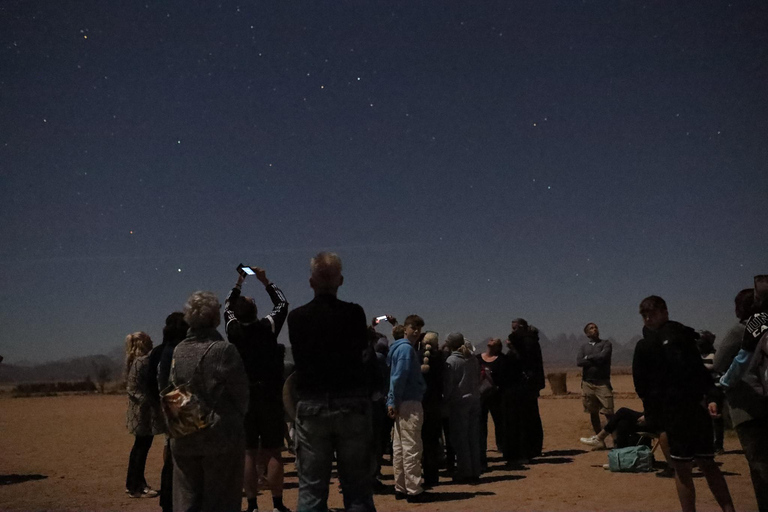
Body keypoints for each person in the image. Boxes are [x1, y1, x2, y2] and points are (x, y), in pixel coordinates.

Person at [287, 252, 376, 512]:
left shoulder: (297, 317)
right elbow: (362, 355)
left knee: (312, 489)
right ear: (341, 281)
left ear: (311, 282)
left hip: (312, 404)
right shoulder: (354, 314)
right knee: (357, 488)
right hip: (351, 403)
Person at [632, 295, 734, 512]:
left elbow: (698, 371)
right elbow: (643, 386)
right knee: (684, 468)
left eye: (653, 313)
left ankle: (728, 509)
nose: (649, 319)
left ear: (665, 312)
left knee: (702, 465)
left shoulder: (680, 336)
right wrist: (653, 414)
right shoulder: (648, 345)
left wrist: (712, 397)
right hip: (674, 413)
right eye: (644, 315)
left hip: (691, 409)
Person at [171, 291, 249, 512]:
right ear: (215, 318)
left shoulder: (179, 350)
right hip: (220, 435)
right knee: (221, 499)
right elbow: (241, 394)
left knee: (187, 497)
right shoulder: (223, 350)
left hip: (185, 429)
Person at [224, 266, 290, 512]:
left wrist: (239, 283)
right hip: (270, 396)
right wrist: (265, 281)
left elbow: (227, 308)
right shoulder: (268, 327)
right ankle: (277, 504)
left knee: (249, 452)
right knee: (273, 451)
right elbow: (282, 304)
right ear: (255, 311)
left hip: (245, 397)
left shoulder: (234, 331)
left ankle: (251, 504)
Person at [715, 287, 768, 511]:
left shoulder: (740, 331)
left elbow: (719, 363)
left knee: (760, 470)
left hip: (748, 408)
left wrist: (725, 383)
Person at [387, 315, 428, 502]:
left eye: (419, 328)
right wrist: (393, 401)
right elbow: (399, 377)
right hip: (409, 401)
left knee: (400, 447)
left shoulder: (399, 349)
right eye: (414, 327)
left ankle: (401, 487)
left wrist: (392, 401)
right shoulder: (405, 349)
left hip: (401, 401)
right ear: (405, 328)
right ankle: (414, 489)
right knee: (411, 446)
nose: (417, 331)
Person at [153, 312, 189, 512]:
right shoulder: (178, 350)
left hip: (167, 405)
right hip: (179, 406)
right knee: (180, 460)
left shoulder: (160, 351)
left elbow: (152, 382)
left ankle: (167, 500)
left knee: (171, 455)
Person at [503, 318, 545, 465]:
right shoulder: (531, 340)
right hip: (529, 385)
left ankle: (525, 452)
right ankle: (533, 449)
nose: (512, 332)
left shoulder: (526, 341)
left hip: (524, 386)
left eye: (514, 328)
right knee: (531, 416)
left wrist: (513, 347)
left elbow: (524, 360)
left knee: (523, 419)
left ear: (521, 328)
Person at [125, 331, 161, 498]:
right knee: (142, 448)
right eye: (148, 339)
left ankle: (133, 483)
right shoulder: (143, 362)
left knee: (139, 447)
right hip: (144, 412)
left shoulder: (135, 361)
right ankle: (138, 486)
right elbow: (136, 389)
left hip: (139, 411)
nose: (152, 340)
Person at [443, 333, 482, 482]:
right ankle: (475, 470)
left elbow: (449, 385)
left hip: (459, 403)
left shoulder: (452, 361)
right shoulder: (472, 359)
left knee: (461, 439)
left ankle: (465, 472)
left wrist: (445, 399)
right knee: (473, 437)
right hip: (474, 400)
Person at [576, 323, 614, 445]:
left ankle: (617, 442)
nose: (595, 329)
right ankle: (600, 441)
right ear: (587, 334)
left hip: (603, 383)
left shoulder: (606, 344)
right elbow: (579, 362)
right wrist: (594, 360)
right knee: (593, 412)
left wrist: (588, 358)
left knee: (609, 413)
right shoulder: (583, 347)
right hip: (587, 383)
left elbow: (603, 357)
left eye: (596, 327)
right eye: (591, 328)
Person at [418, 330, 445, 488]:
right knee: (432, 442)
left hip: (420, 401)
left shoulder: (417, 356)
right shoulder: (440, 358)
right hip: (435, 403)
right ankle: (432, 476)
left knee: (418, 441)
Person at [477, 337, 508, 468]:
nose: (491, 340)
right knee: (481, 424)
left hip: (496, 396)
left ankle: (503, 448)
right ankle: (481, 452)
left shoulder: (502, 360)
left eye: (495, 340)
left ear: (498, 346)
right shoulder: (478, 358)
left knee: (500, 422)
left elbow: (505, 377)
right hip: (480, 396)